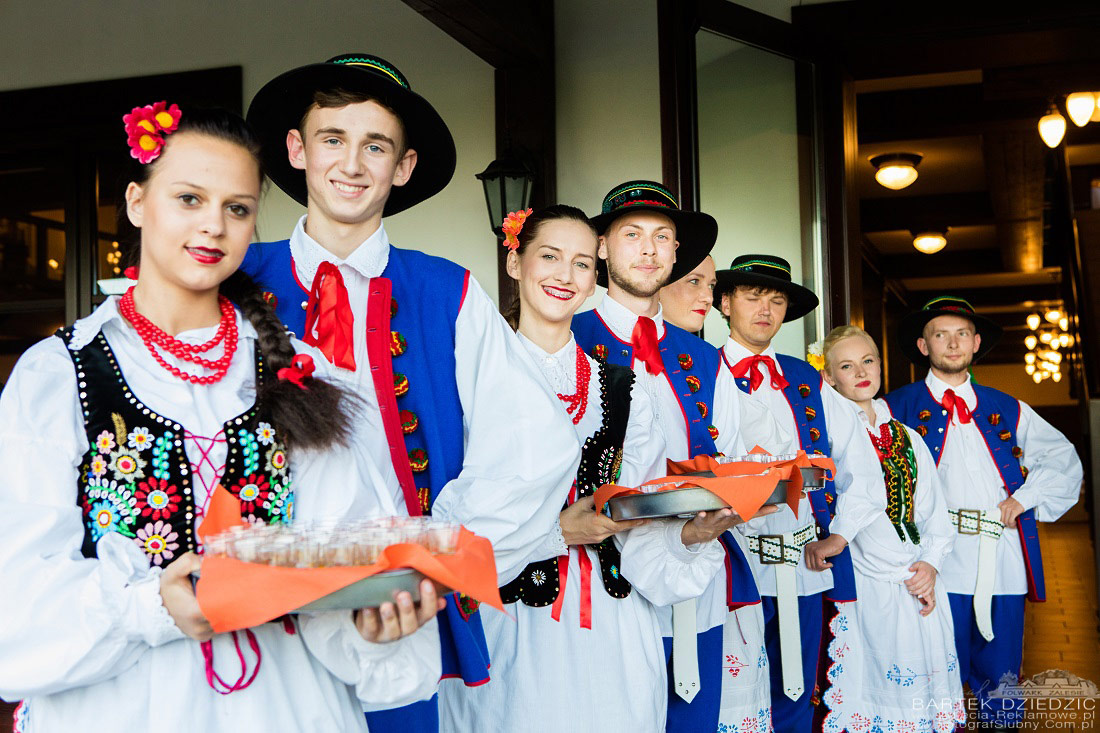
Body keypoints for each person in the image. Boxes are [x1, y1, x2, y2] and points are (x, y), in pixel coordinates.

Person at [0, 104, 442, 731]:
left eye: (236, 208)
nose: (213, 226)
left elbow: (345, 552)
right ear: (135, 201)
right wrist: (153, 607)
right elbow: (14, 599)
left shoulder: (298, 372)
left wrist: (375, 621)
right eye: (188, 198)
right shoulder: (60, 376)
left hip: (284, 707)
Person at [239, 54, 580, 731]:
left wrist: (433, 563)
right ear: (297, 149)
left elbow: (533, 448)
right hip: (261, 625)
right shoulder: (238, 279)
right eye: (333, 138)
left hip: (399, 622)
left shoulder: (446, 291)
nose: (352, 162)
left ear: (404, 167)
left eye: (376, 145)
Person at [442, 204, 740, 731]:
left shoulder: (624, 392)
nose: (565, 275)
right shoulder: (471, 378)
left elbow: (640, 532)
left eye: (581, 263)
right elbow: (450, 528)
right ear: (515, 263)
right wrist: (557, 533)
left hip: (615, 626)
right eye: (549, 257)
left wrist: (690, 537)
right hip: (511, 623)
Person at [572, 181, 783, 732]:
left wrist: (744, 496)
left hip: (693, 566)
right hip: (595, 575)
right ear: (601, 246)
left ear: (674, 254)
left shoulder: (706, 361)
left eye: (662, 237)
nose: (648, 249)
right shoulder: (566, 335)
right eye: (632, 235)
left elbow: (730, 458)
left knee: (695, 717)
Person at [883, 296, 1082, 727]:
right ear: (923, 346)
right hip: (934, 563)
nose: (952, 344)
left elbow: (1063, 460)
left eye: (961, 335)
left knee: (1002, 679)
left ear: (975, 344)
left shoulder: (1006, 407)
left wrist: (1023, 499)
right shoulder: (894, 408)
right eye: (940, 335)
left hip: (1000, 558)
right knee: (938, 675)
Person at [712, 254, 886, 733]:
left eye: (776, 299)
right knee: (732, 695)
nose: (765, 308)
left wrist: (841, 535)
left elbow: (861, 468)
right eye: (752, 296)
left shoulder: (809, 379)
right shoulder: (700, 371)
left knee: (796, 694)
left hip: (802, 565)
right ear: (724, 303)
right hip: (731, 565)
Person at [816, 326, 964, 733]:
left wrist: (930, 566)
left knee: (923, 696)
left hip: (918, 578)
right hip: (865, 583)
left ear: (880, 366)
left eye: (868, 361)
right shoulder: (828, 434)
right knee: (875, 685)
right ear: (829, 377)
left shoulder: (907, 436)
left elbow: (934, 512)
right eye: (846, 366)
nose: (861, 372)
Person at [659, 254, 717, 334]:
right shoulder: (637, 344)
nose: (709, 298)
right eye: (694, 281)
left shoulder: (704, 347)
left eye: (711, 286)